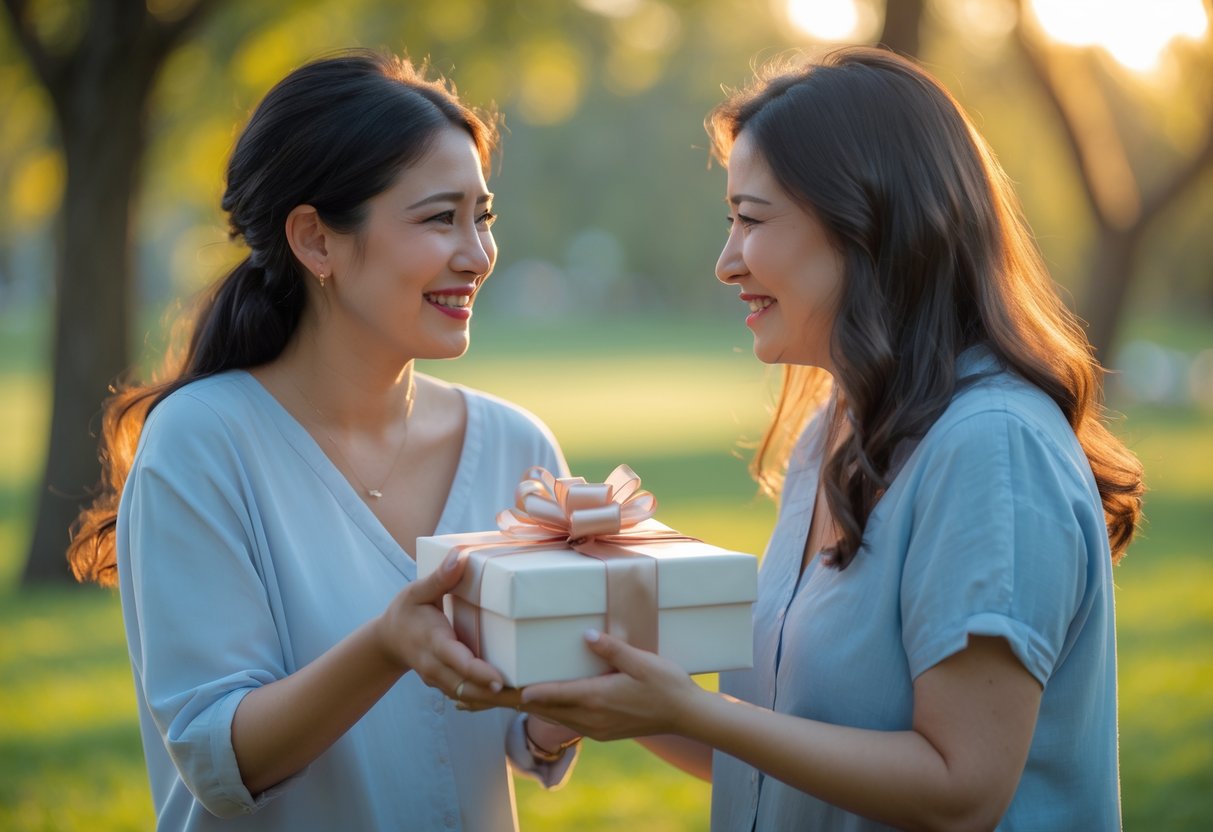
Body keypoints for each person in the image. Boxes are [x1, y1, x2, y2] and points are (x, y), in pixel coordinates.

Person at [510, 47, 1145, 830]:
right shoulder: (833, 429)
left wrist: (693, 710)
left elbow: (960, 789)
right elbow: (788, 754)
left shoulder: (991, 448)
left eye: (751, 219)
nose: (725, 262)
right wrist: (600, 686)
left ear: (867, 225)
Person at [67, 51, 581, 831]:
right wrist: (387, 645)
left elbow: (521, 733)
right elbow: (218, 758)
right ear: (315, 241)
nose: (477, 255)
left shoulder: (518, 445)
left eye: (483, 216)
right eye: (440, 218)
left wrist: (580, 669)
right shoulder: (201, 444)